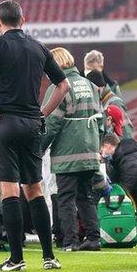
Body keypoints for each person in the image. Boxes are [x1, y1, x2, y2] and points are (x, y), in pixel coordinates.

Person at [0, 0, 70, 271]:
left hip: (3, 122)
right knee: (35, 187)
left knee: (9, 189)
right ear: (23, 20)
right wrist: (42, 113)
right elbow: (63, 84)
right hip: (31, 123)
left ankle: (16, 259)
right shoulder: (39, 47)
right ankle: (49, 257)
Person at [41, 47, 110, 252]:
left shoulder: (59, 86)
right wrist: (96, 148)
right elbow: (101, 121)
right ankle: (93, 239)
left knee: (66, 199)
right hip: (89, 152)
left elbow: (50, 123)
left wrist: (39, 148)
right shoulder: (89, 84)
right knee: (86, 197)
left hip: (67, 154)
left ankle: (70, 242)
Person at [86, 69, 135, 139]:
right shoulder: (101, 101)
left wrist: (125, 149)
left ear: (98, 88)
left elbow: (125, 129)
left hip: (118, 147)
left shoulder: (114, 102)